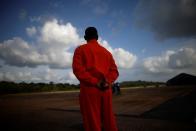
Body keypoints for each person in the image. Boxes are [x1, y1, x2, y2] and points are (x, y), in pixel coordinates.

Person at [72, 27, 119, 131]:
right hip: (106, 90)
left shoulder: (80, 50)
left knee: (92, 121)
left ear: (85, 37)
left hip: (90, 90)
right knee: (109, 119)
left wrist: (95, 82)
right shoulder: (107, 53)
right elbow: (114, 71)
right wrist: (107, 81)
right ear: (97, 37)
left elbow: (78, 70)